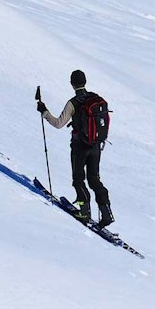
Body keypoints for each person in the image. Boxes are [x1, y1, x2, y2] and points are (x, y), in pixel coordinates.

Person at [38, 70, 114, 227]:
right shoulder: (94, 98)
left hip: (80, 146)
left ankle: (84, 212)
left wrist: (44, 112)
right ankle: (106, 212)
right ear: (85, 82)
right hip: (96, 146)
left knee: (78, 179)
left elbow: (59, 123)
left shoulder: (73, 103)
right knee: (94, 179)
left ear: (72, 84)